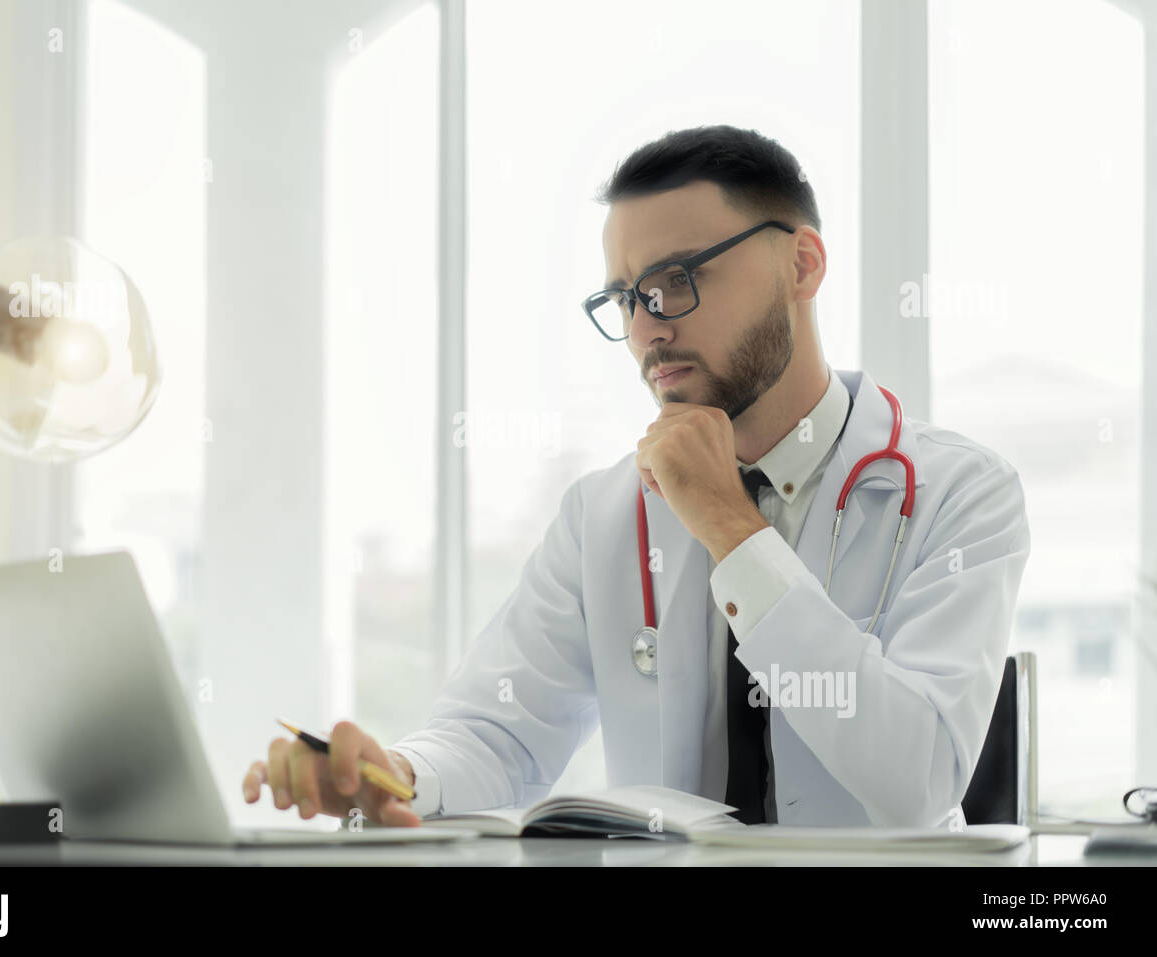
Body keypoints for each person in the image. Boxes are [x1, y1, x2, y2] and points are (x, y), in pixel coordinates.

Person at [243, 125, 1031, 828]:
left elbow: (919, 782)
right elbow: (498, 729)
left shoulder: (962, 494)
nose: (648, 326)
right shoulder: (603, 515)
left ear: (802, 262)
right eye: (625, 298)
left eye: (678, 278)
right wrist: (398, 776)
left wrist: (729, 525)